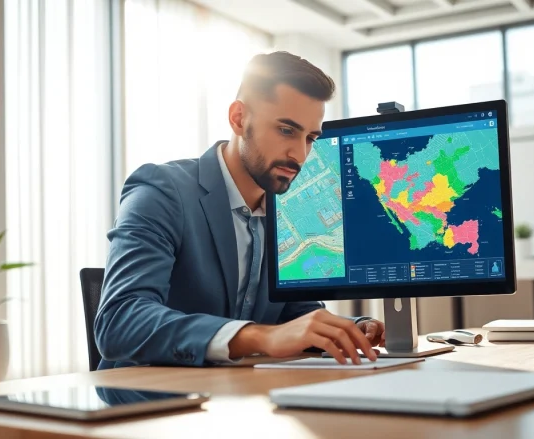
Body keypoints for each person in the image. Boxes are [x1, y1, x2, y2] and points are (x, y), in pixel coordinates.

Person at [94, 51, 386, 370]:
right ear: (238, 119)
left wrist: (349, 329)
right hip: (146, 400)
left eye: (311, 138)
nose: (300, 155)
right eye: (286, 131)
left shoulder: (284, 209)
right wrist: (261, 338)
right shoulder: (162, 191)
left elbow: (292, 314)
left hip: (236, 398)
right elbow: (119, 320)